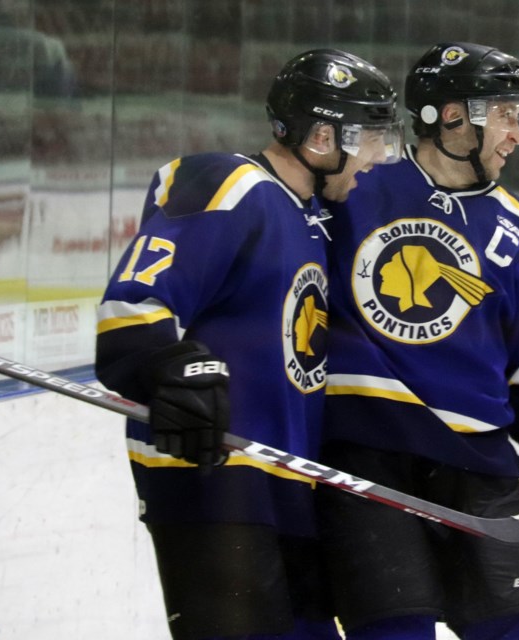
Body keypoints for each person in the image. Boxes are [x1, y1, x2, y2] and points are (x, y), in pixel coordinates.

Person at [94, 49, 402, 640]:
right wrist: (170, 363)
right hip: (217, 477)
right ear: (320, 137)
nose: (380, 155)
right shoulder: (235, 186)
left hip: (290, 484)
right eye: (371, 136)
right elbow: (132, 306)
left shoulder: (318, 218)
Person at [319, 42, 519, 640]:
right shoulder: (351, 192)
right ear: (450, 118)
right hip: (367, 464)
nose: (517, 134)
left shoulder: (518, 228)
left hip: (481, 469)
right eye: (505, 115)